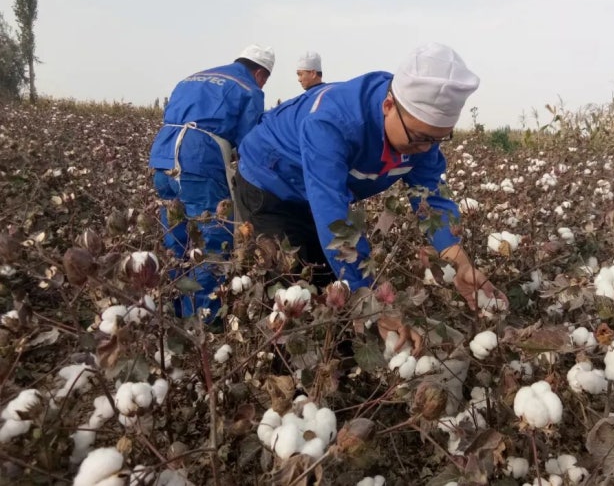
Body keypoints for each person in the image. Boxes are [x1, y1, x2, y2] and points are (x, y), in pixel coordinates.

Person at [234, 42, 505, 336]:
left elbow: (433, 202)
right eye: (419, 138)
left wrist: (461, 264)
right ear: (388, 106)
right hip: (270, 183)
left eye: (437, 139)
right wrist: (372, 303)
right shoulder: (333, 122)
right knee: (291, 291)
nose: (425, 149)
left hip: (319, 190)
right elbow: (332, 214)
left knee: (332, 286)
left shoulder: (421, 136)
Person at [149, 43, 275, 320]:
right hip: (199, 161)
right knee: (213, 239)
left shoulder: (193, 77)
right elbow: (248, 143)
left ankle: (172, 308)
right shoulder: (249, 90)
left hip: (163, 157)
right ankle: (204, 318)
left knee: (175, 235)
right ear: (260, 74)